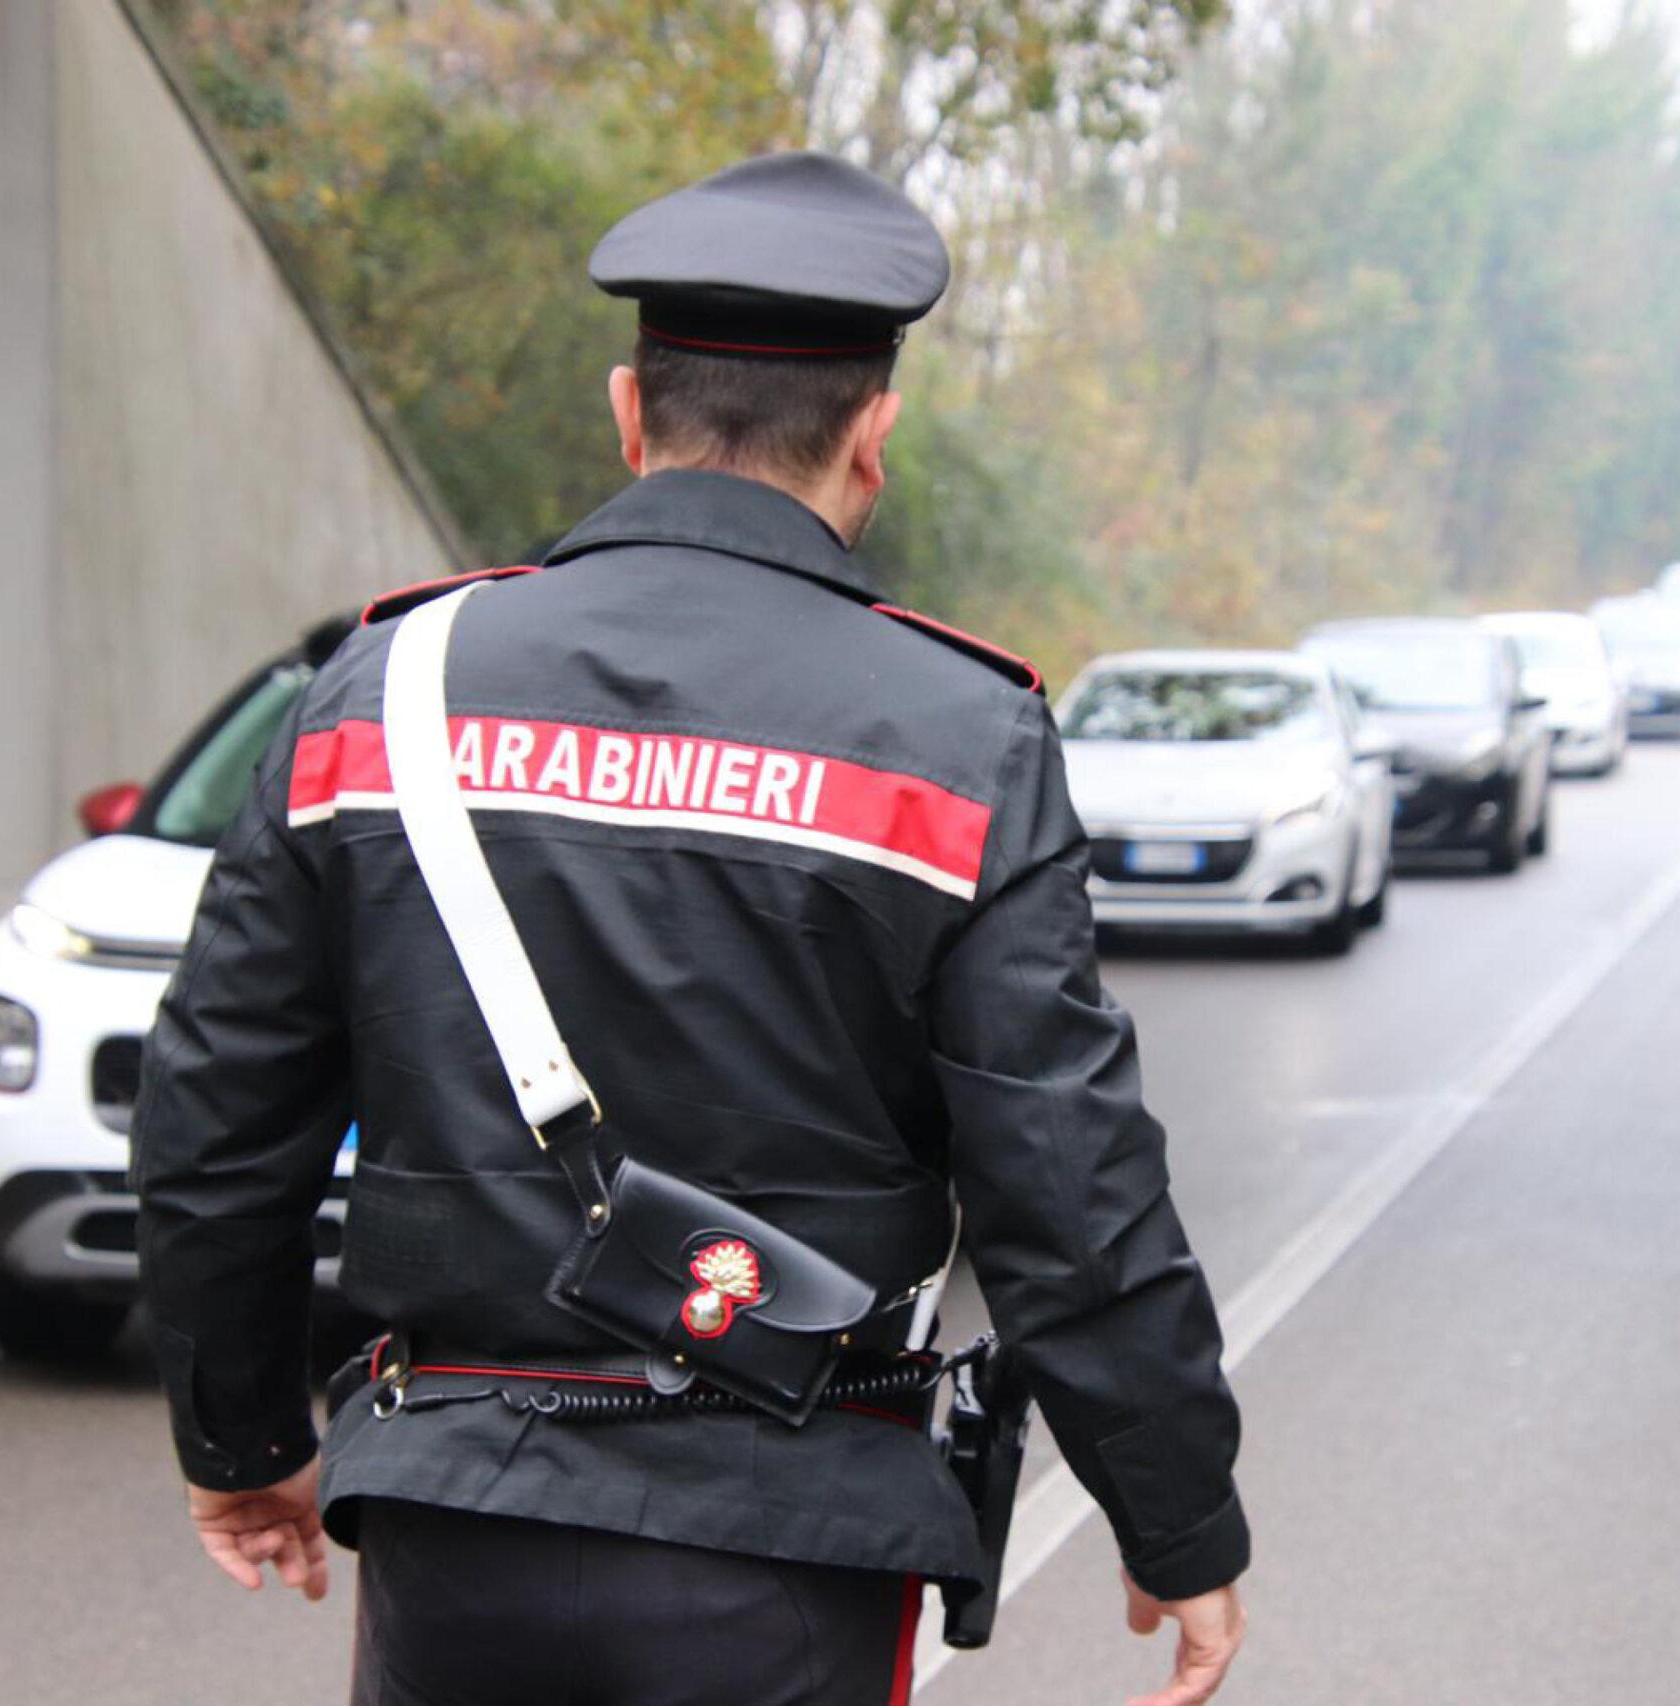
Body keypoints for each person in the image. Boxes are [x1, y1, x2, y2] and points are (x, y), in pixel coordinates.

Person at [132, 150, 1248, 1706]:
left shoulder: (383, 692)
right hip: (796, 1538)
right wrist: (1174, 1509)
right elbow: (1066, 1183)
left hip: (457, 1528)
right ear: (875, 435)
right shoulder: (955, 736)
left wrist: (241, 1440)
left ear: (627, 413)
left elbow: (214, 1115)